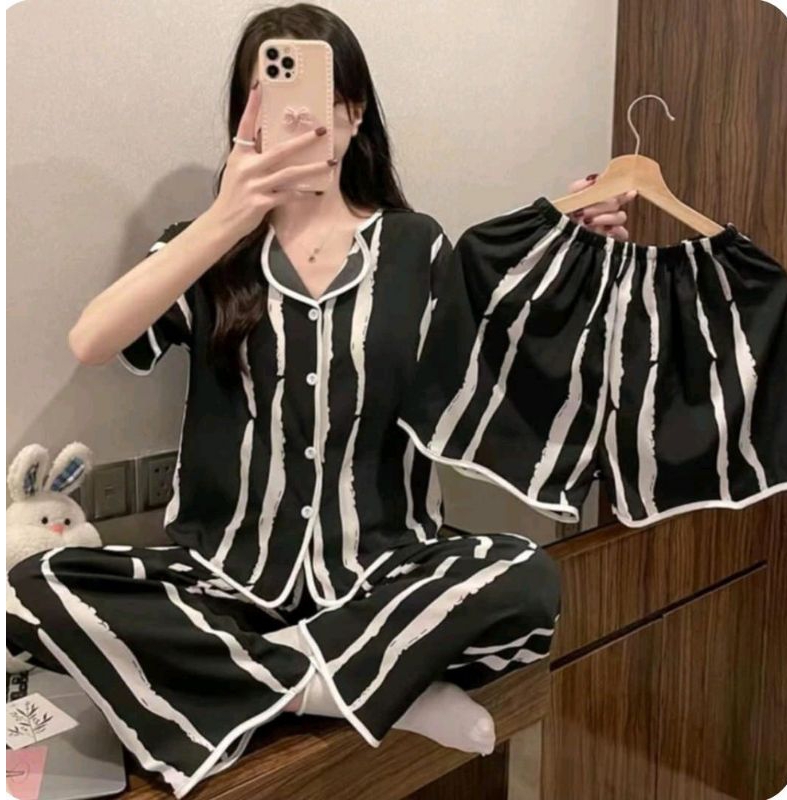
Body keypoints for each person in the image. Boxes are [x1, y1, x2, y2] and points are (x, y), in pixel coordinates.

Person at [6, 4, 633, 798]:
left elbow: (503, 369)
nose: (301, 115)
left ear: (355, 110)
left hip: (383, 576)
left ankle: (264, 679)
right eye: (272, 93)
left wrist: (572, 255)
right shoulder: (203, 246)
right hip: (221, 580)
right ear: (246, 115)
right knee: (31, 584)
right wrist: (227, 217)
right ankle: (354, 688)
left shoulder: (416, 247)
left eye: (322, 94)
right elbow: (93, 340)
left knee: (525, 578)